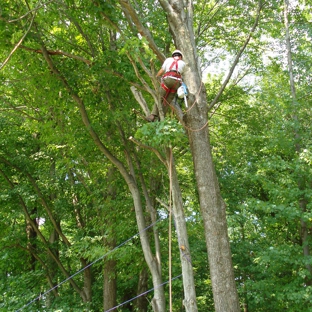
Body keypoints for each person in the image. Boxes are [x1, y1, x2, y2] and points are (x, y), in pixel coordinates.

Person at [146, 50, 186, 122]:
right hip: (176, 84)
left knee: (160, 97)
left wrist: (156, 76)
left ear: (173, 56)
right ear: (180, 56)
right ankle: (161, 118)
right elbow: (182, 74)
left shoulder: (168, 60)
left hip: (167, 80)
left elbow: (162, 70)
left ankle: (153, 115)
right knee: (167, 101)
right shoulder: (183, 63)